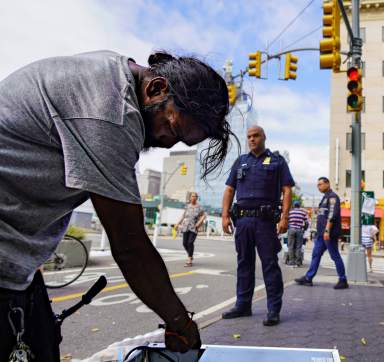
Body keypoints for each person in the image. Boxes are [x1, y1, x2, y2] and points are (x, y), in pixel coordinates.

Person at [0, 50, 237, 360]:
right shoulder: (111, 114)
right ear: (156, 89)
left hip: (18, 266)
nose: (168, 143)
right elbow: (130, 247)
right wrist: (180, 323)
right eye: (174, 130)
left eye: (181, 143)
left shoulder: (111, 75)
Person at [221, 126, 294, 326]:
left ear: (264, 137)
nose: (252, 139)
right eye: (249, 137)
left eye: (256, 136)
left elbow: (287, 191)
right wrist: (225, 215)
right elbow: (229, 190)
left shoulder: (278, 162)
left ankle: (273, 310)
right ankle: (243, 305)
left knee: (270, 265)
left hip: (265, 222)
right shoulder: (240, 161)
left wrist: (284, 218)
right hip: (242, 221)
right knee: (244, 263)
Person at [295, 177, 349, 289]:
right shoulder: (325, 197)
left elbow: (332, 215)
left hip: (328, 233)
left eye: (320, 184)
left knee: (335, 256)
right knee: (315, 255)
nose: (318, 187)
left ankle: (343, 280)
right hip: (321, 234)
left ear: (327, 184)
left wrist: (327, 230)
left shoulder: (333, 197)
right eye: (317, 185)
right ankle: (308, 278)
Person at [176, 192, 206, 267]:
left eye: (195, 196)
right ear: (190, 197)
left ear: (197, 198)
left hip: (194, 227)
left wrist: (198, 223)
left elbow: (203, 215)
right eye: (192, 196)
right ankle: (190, 254)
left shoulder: (199, 207)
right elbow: (183, 216)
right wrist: (177, 223)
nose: (194, 197)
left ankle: (189, 260)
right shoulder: (187, 206)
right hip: (185, 226)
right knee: (184, 243)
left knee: (190, 242)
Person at [287, 200, 309, 267]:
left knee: (290, 246)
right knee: (298, 246)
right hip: (299, 230)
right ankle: (298, 262)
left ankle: (291, 261)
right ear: (299, 205)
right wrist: (304, 229)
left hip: (291, 230)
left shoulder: (290, 212)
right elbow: (306, 223)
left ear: (294, 205)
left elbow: (287, 220)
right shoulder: (303, 213)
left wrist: (289, 228)